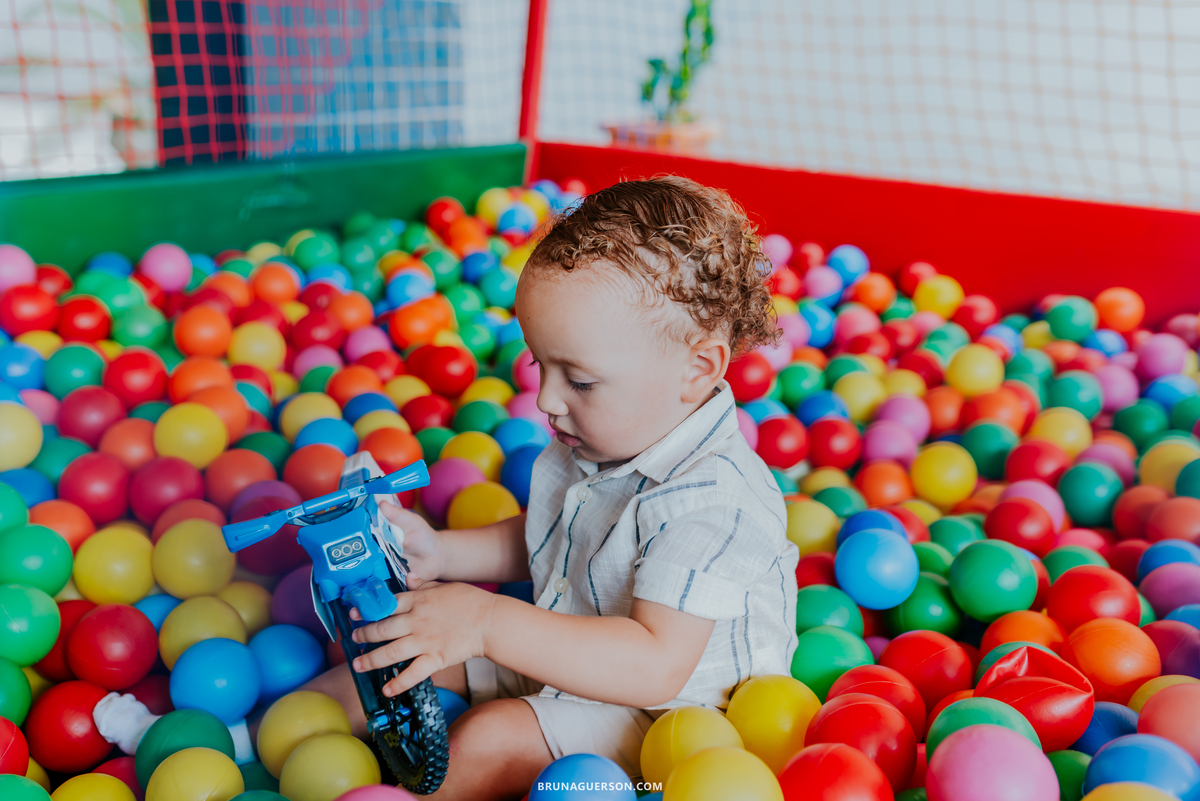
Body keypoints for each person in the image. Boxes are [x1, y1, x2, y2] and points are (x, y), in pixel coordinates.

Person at [309, 176, 799, 800]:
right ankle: (230, 744)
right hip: (561, 644)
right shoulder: (605, 434)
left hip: (673, 725)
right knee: (389, 660)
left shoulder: (712, 501)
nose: (545, 400)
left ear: (697, 369)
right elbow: (557, 532)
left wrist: (485, 621)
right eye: (542, 365)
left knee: (491, 738)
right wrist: (443, 553)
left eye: (581, 380)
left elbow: (653, 664)